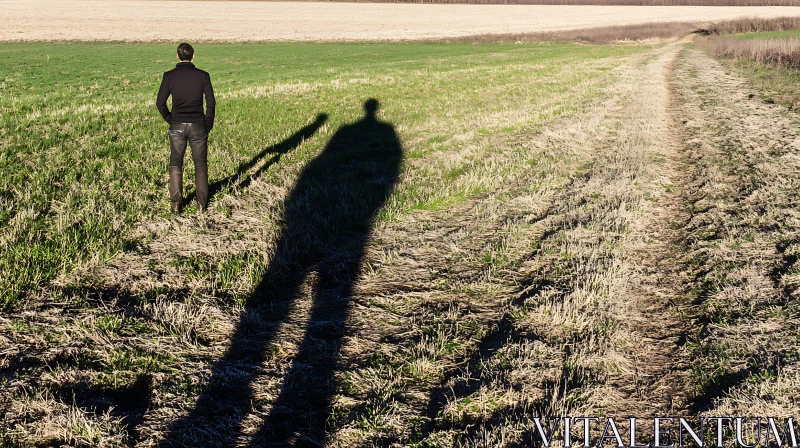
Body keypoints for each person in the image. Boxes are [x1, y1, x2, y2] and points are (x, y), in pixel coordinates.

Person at [156, 42, 216, 214]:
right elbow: (211, 103)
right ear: (193, 56)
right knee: (200, 165)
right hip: (198, 126)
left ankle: (176, 204)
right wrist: (208, 123)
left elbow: (160, 103)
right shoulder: (203, 76)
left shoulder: (169, 76)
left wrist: (170, 119)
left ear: (177, 56)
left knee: (175, 163)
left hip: (177, 126)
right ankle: (201, 204)